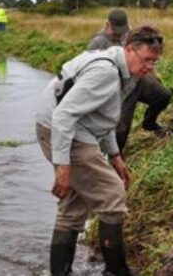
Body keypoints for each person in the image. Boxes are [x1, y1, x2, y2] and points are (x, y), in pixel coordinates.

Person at [35, 26, 163, 276]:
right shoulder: (105, 72)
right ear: (129, 50)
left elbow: (101, 118)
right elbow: (63, 116)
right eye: (146, 59)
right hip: (62, 130)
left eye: (155, 61)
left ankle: (61, 272)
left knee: (75, 201)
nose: (150, 67)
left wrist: (115, 156)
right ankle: (116, 271)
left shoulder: (120, 69)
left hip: (63, 128)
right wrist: (63, 167)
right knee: (112, 194)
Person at [88, 9, 171, 152]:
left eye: (123, 30)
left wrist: (153, 73)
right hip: (119, 86)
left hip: (138, 77)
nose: (120, 34)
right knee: (121, 128)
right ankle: (114, 158)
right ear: (107, 25)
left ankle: (149, 123)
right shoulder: (97, 43)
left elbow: (145, 55)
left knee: (162, 96)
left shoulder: (130, 34)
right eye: (116, 32)